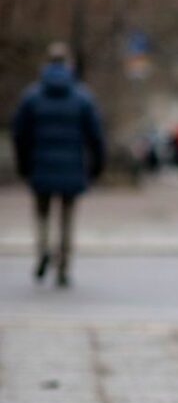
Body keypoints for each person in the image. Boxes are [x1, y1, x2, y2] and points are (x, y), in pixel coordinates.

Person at [12, 42, 105, 287]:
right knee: (67, 216)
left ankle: (43, 250)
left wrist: (23, 164)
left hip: (40, 165)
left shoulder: (32, 96)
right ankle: (63, 265)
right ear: (68, 64)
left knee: (42, 214)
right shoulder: (82, 97)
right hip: (71, 167)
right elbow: (95, 136)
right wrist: (96, 166)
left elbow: (19, 134)